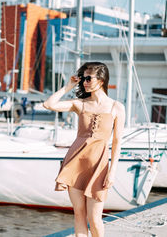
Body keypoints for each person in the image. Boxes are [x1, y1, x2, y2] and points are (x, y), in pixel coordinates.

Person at [43, 62, 125, 237]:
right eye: (83, 79)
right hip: (76, 163)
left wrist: (112, 171)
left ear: (101, 80)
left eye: (88, 78)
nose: (85, 82)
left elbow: (117, 142)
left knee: (95, 218)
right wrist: (68, 86)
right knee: (79, 214)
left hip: (99, 166)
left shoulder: (116, 107)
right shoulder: (80, 104)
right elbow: (49, 104)